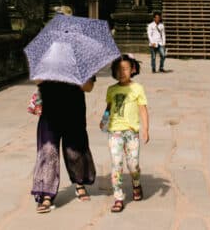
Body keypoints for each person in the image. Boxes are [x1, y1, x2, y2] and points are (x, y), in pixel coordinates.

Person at [31, 78, 97, 213]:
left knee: (75, 149)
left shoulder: (79, 58)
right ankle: (46, 194)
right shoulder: (47, 57)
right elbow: (36, 80)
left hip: (74, 108)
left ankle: (80, 184)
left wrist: (76, 78)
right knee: (48, 151)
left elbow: (89, 87)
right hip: (50, 111)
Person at [105, 55, 150, 213]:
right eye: (118, 69)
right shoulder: (111, 89)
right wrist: (104, 120)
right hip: (115, 131)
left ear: (133, 69)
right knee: (116, 164)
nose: (121, 72)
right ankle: (118, 197)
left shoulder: (137, 88)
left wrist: (145, 129)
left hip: (132, 132)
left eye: (125, 69)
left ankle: (136, 183)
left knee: (133, 165)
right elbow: (109, 107)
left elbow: (143, 109)